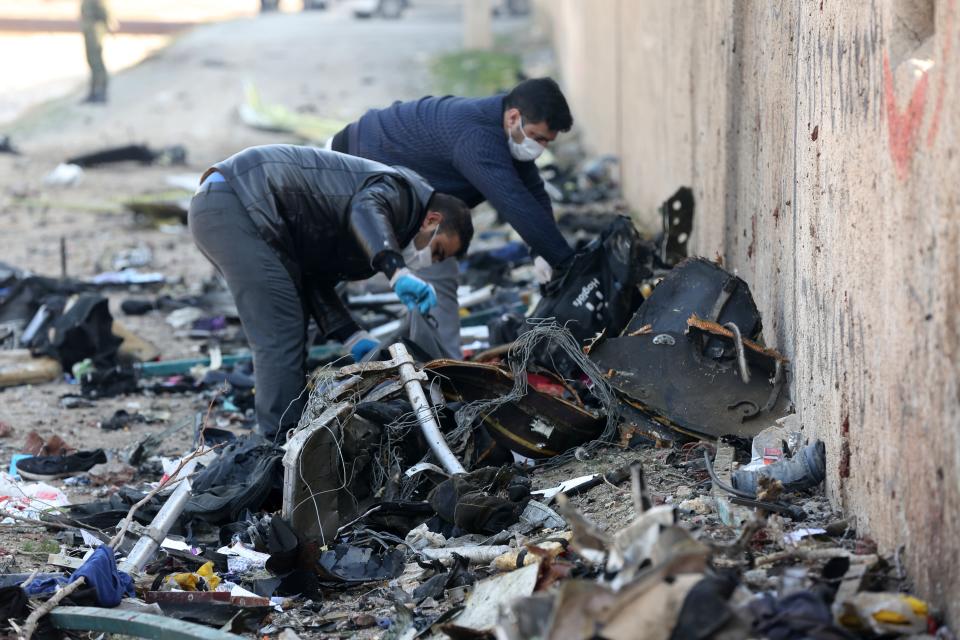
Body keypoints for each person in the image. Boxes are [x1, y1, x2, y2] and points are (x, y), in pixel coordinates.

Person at [188, 145, 473, 440]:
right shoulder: (400, 192)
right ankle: (277, 447)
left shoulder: (392, 213)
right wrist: (395, 269)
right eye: (437, 250)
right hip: (238, 203)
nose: (428, 260)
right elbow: (366, 208)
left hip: (229, 205)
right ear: (432, 220)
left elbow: (311, 276)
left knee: (288, 320)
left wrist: (352, 335)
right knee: (280, 333)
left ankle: (282, 437)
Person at [329, 77, 575, 357]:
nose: (540, 147)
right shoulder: (477, 138)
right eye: (538, 137)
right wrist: (567, 264)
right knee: (435, 264)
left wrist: (540, 253)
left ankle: (422, 360)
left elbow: (533, 192)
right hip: (356, 165)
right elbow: (513, 201)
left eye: (547, 142)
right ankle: (446, 374)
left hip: (391, 171)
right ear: (514, 117)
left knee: (431, 271)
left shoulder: (502, 127)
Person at [80, 0, 111, 103]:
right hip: (89, 30)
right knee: (91, 61)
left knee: (97, 61)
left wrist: (107, 25)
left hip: (95, 30)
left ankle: (101, 91)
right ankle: (93, 92)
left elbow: (103, 11)